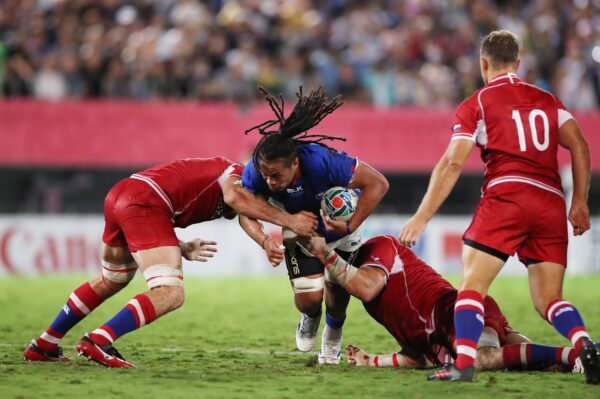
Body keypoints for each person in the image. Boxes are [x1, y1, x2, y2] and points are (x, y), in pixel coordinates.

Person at [398, 30, 599, 383]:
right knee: (549, 298)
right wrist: (579, 201)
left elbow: (452, 163)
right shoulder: (548, 100)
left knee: (472, 286)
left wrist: (421, 217)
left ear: (483, 63)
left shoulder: (476, 104)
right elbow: (580, 146)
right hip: (550, 200)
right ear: (518, 64)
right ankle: (585, 344)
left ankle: (463, 365)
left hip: (507, 195)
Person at [23, 157, 317, 368]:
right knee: (170, 292)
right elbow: (239, 202)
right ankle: (99, 339)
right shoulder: (235, 173)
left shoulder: (240, 190)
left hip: (122, 195)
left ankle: (45, 344)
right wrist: (290, 221)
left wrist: (262, 241)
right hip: (145, 202)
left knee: (112, 279)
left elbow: (245, 213)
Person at [240, 87, 389, 364]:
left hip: (343, 231)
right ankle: (309, 317)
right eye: (265, 175)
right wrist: (263, 239)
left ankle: (332, 339)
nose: (270, 181)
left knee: (337, 295)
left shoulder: (325, 162)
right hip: (301, 234)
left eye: (276, 175)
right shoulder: (257, 170)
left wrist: (349, 226)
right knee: (310, 301)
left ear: (295, 163)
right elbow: (246, 210)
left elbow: (378, 183)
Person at [305, 234, 584, 373]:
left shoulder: (380, 247)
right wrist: (371, 361)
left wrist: (323, 253)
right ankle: (575, 356)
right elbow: (418, 357)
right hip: (459, 316)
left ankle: (576, 355)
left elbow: (366, 287)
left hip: (455, 311)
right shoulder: (385, 312)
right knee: (520, 356)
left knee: (480, 359)